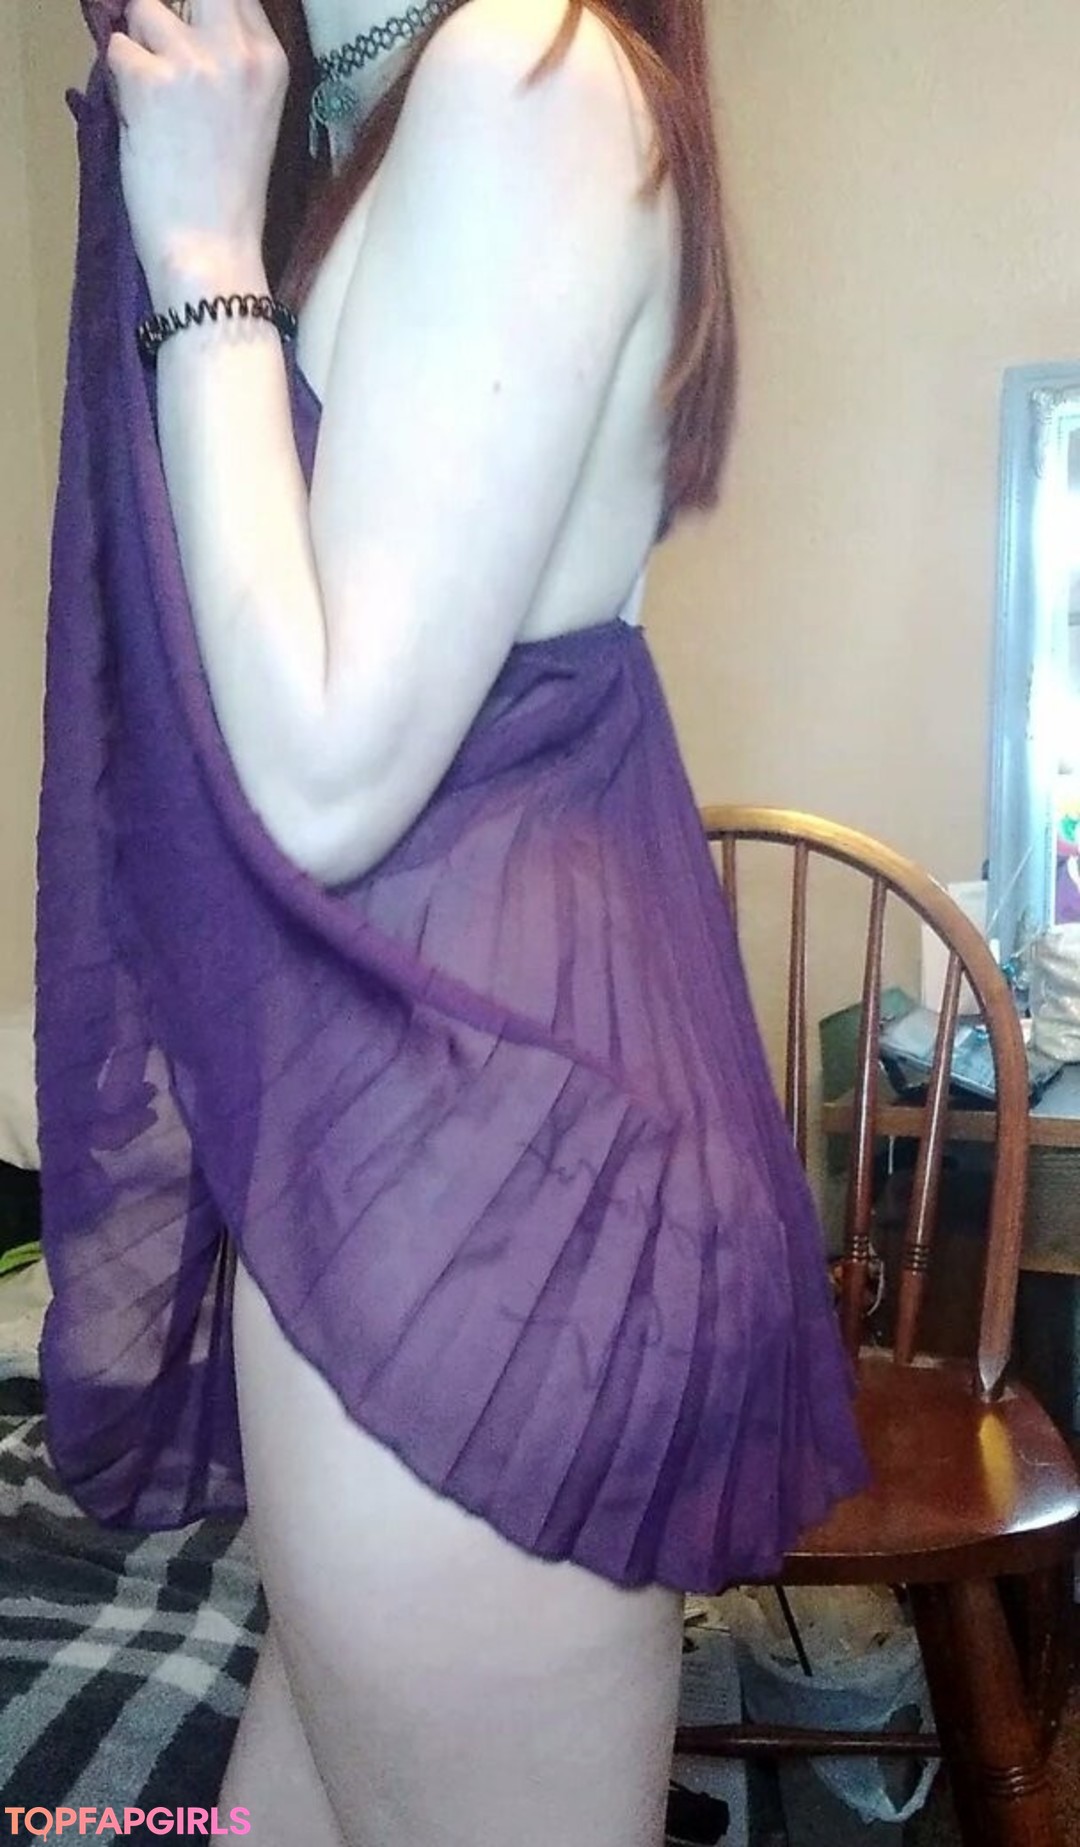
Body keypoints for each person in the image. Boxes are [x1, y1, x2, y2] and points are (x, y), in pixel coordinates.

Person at [36, 2, 867, 1844]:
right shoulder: (411, 108)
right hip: (442, 1145)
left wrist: (199, 250)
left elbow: (326, 778)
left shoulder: (521, 74)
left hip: (484, 1184)